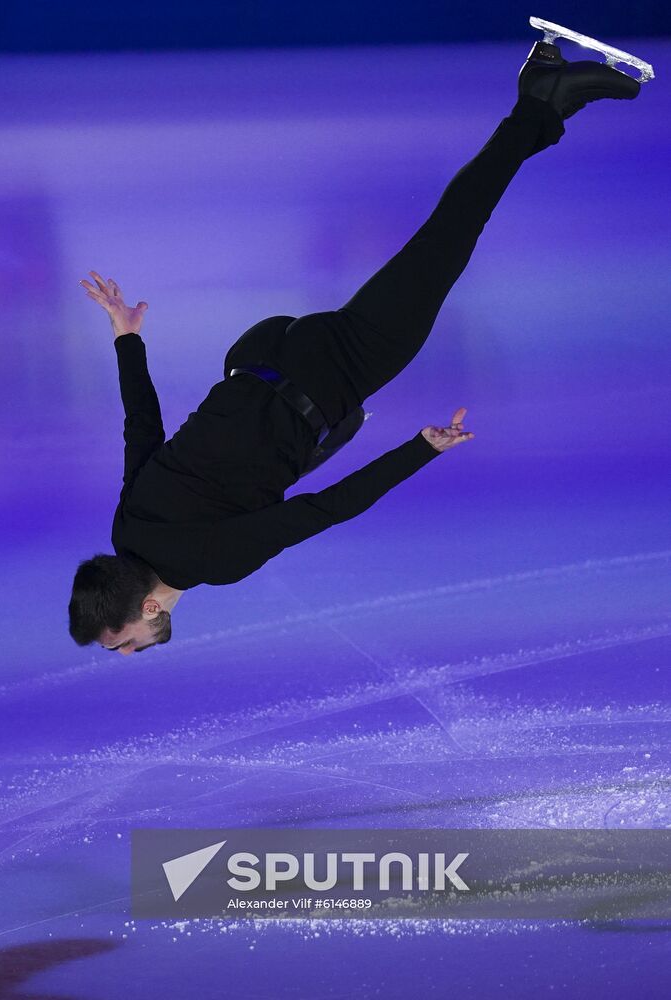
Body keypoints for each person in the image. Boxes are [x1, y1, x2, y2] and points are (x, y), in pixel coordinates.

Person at [68, 45, 641, 655]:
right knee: (435, 254)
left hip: (330, 374)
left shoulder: (217, 560)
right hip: (260, 352)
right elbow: (141, 429)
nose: (128, 650)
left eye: (122, 642)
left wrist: (420, 450)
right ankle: (541, 115)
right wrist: (127, 337)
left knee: (447, 239)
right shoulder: (125, 526)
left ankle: (539, 98)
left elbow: (327, 508)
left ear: (149, 606)